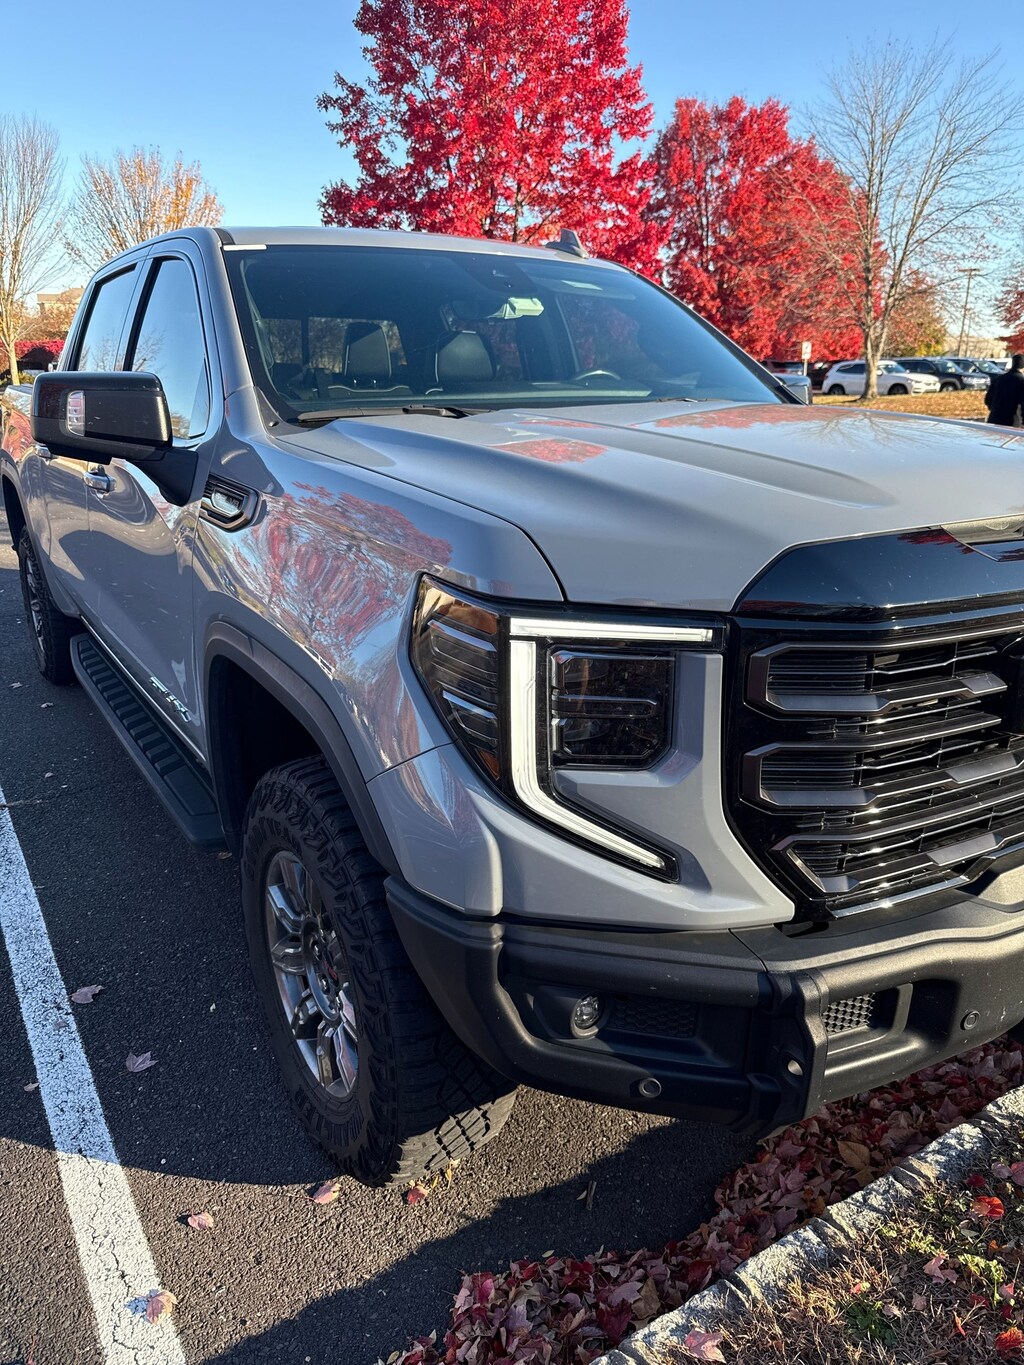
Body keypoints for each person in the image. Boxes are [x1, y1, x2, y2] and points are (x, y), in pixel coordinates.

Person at [985, 354, 1024, 426]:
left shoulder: (999, 379)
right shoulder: (1021, 381)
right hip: (1011, 421)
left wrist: (994, 409)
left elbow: (987, 399)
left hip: (994, 418)